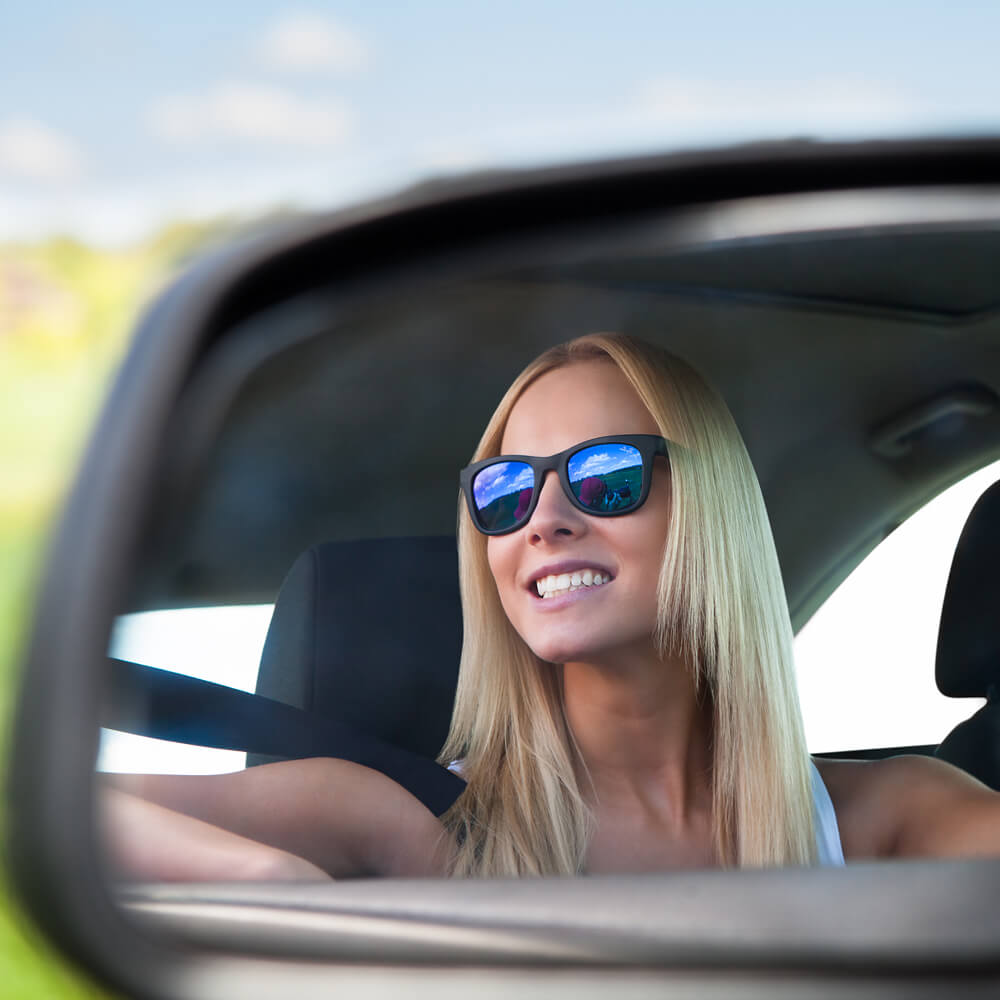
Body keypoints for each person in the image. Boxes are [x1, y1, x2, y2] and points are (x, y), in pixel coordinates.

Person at [101, 333, 1000, 880]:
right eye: (504, 491)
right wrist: (269, 882)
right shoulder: (409, 826)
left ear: (712, 512)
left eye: (604, 476)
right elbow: (42, 815)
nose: (545, 520)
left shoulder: (889, 820)